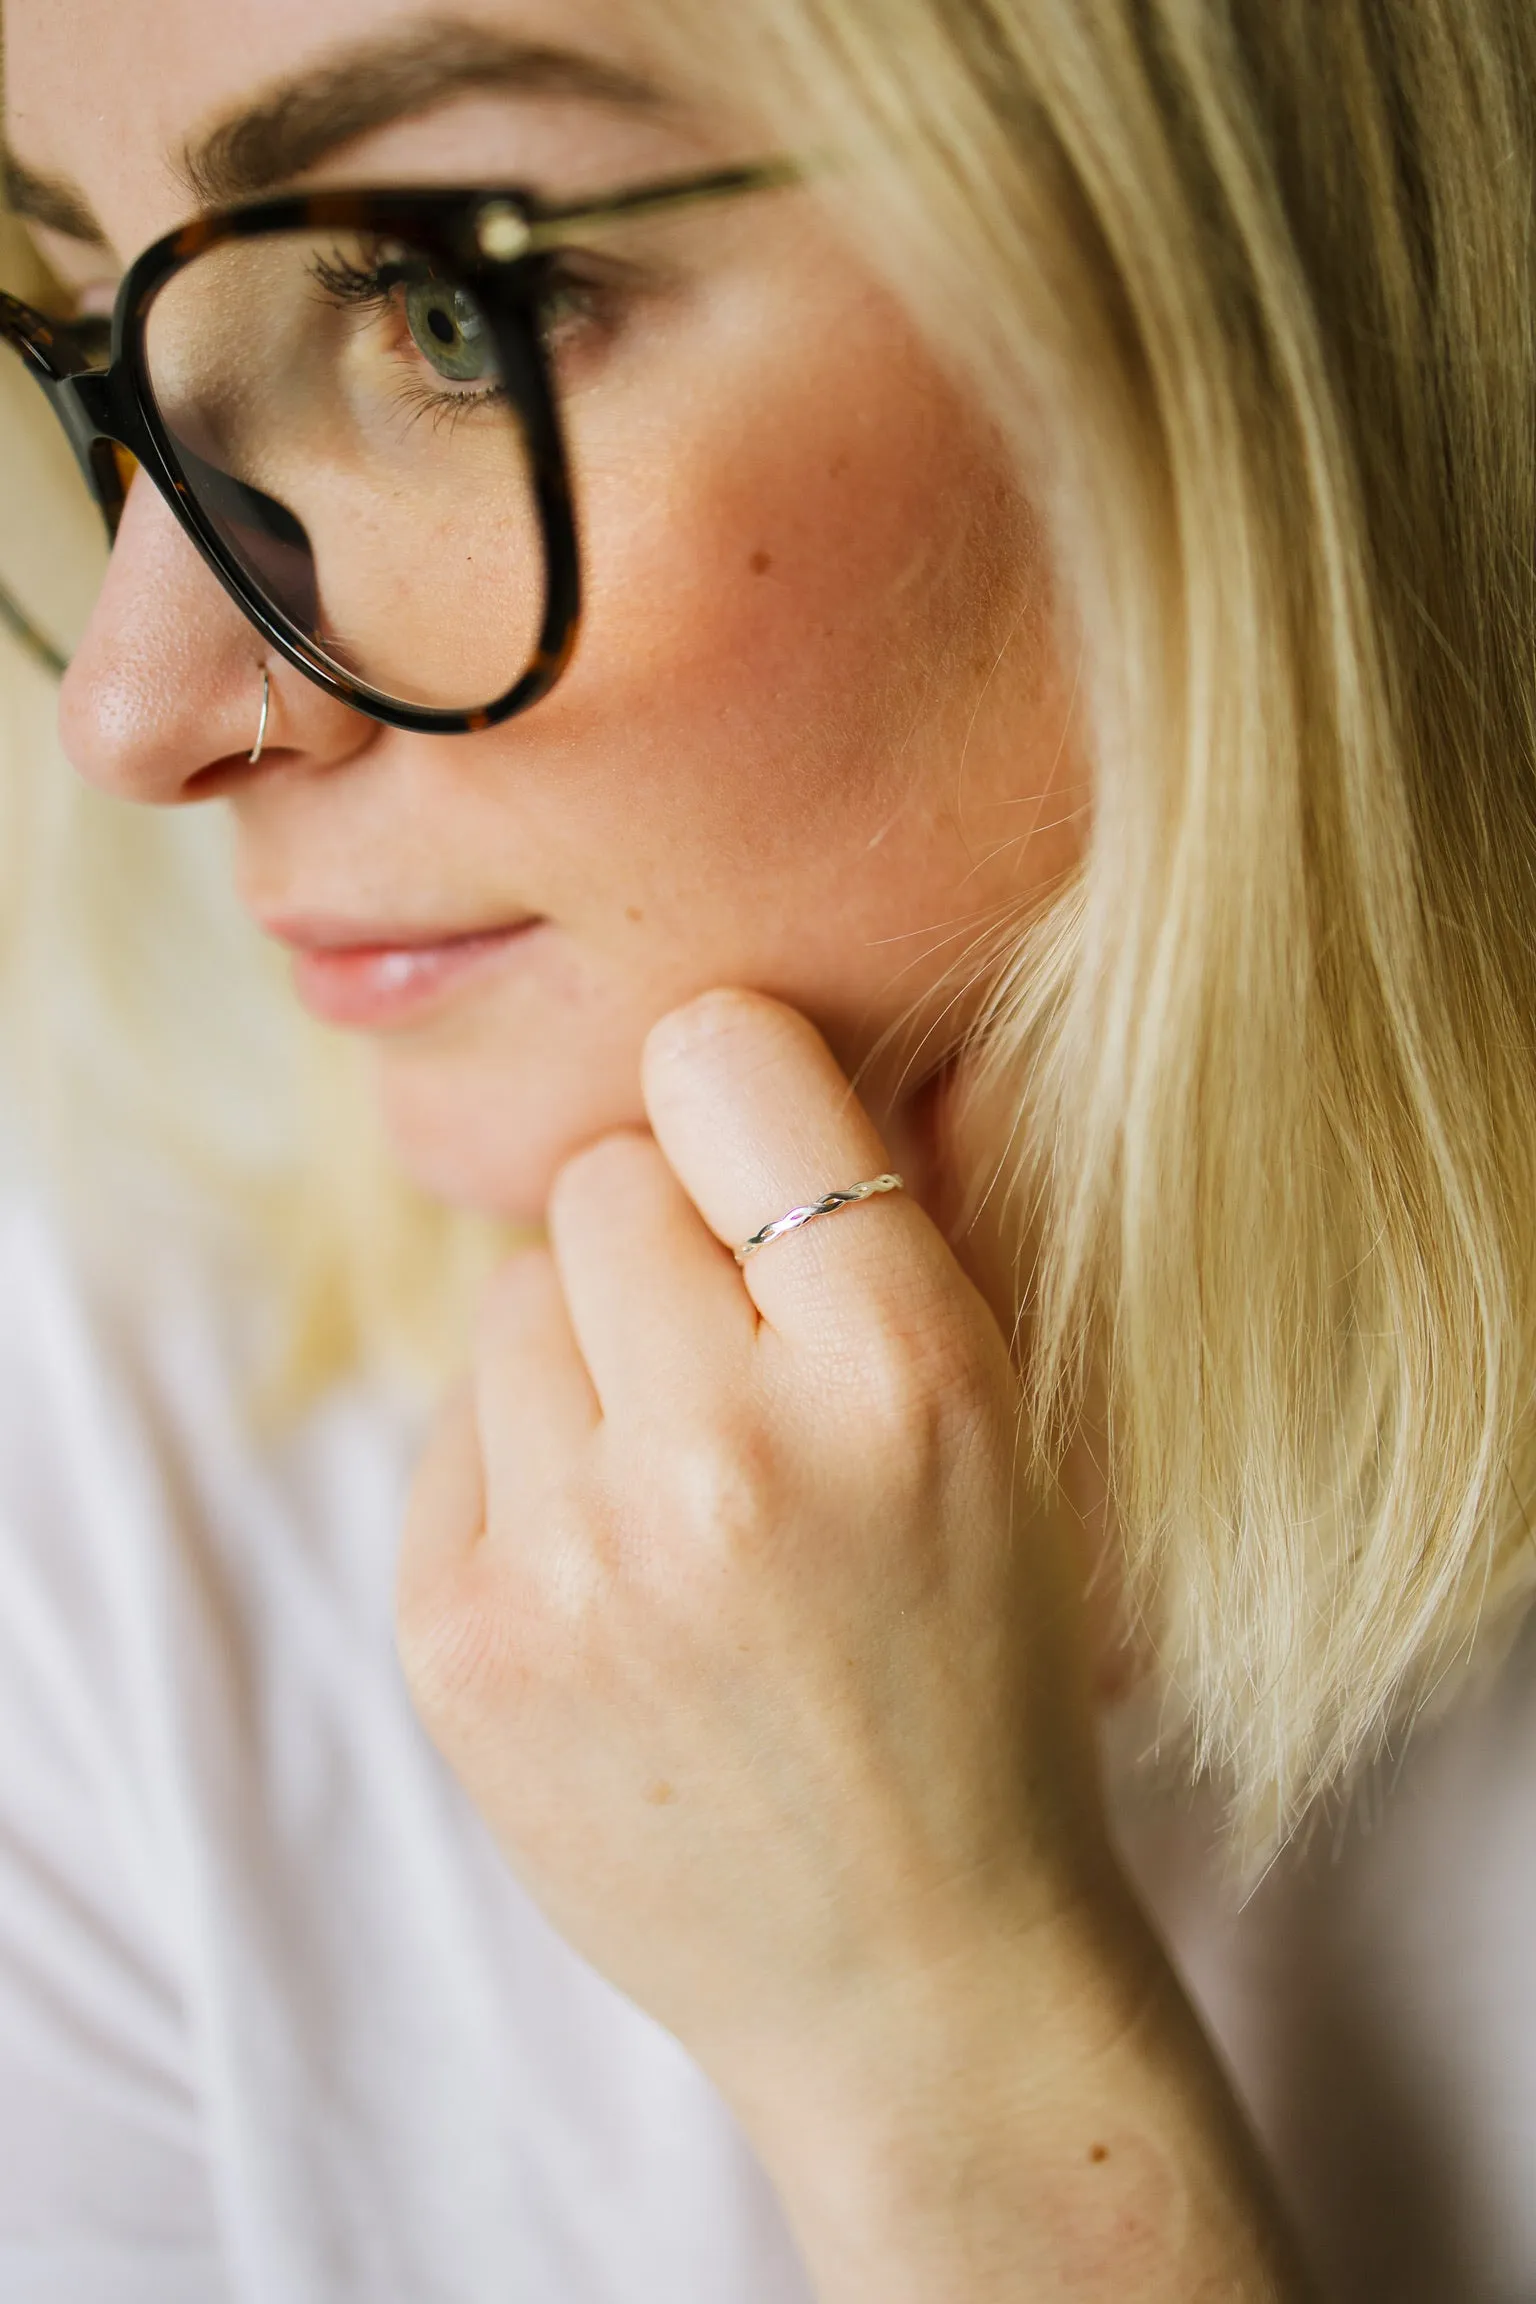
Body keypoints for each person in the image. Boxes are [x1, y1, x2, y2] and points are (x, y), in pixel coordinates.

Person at [0, 1, 1533, 2296]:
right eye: (75, 330)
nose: (133, 710)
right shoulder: (90, 1483)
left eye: (449, 306)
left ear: (1241, 281)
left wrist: (958, 2054)